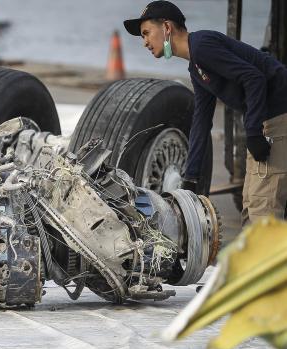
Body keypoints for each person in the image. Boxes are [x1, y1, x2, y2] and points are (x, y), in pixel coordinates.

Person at [123, 1, 287, 224]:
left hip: (278, 115)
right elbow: (201, 120)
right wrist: (190, 177)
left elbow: (254, 78)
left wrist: (254, 133)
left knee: (263, 211)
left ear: (167, 28)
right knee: (250, 206)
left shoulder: (202, 45)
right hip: (265, 120)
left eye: (146, 33)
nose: (145, 43)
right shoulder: (196, 67)